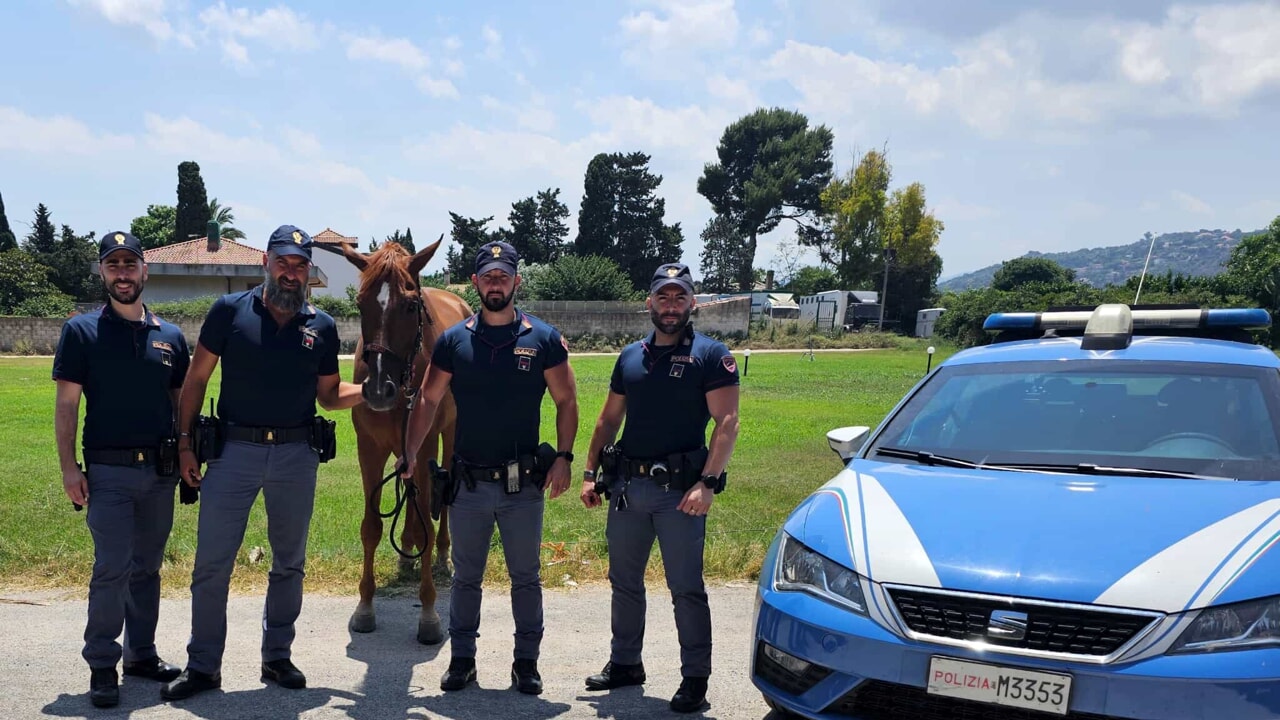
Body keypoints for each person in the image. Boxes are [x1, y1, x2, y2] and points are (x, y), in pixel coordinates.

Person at [161, 225, 364, 700]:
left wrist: (374, 395)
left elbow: (331, 396)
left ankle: (276, 658)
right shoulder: (228, 312)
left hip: (296, 453)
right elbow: (195, 382)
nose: (291, 273)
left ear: (307, 271)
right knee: (212, 563)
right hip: (233, 453)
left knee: (289, 563)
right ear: (266, 264)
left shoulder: (322, 325)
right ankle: (204, 666)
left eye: (299, 265)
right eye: (283, 263)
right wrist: (185, 443)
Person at [400, 240, 577, 696]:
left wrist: (564, 457)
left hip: (523, 486)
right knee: (465, 577)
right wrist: (410, 451)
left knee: (526, 578)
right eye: (488, 276)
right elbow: (427, 400)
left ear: (516, 281)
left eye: (504, 275)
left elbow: (566, 400)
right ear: (476, 283)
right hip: (470, 483)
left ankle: (526, 663)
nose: (496, 283)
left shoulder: (543, 339)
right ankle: (462, 661)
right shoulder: (455, 341)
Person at [580, 262, 740, 714]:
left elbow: (726, 423)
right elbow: (608, 420)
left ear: (693, 303)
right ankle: (626, 663)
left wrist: (707, 483)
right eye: (663, 297)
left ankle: (695, 678)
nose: (671, 306)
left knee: (686, 587)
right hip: (629, 489)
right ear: (649, 302)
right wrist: (591, 474)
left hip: (680, 494)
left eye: (680, 297)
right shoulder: (631, 356)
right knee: (624, 582)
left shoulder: (712, 355)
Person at [52, 231, 191, 708]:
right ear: (103, 273)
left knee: (147, 569)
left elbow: (179, 401)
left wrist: (186, 453)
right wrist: (70, 469)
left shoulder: (170, 336)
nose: (123, 272)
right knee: (111, 568)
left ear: (144, 271)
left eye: (130, 264)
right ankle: (101, 665)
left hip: (159, 472)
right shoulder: (82, 331)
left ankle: (141, 654)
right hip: (107, 472)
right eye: (113, 265)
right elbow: (67, 406)